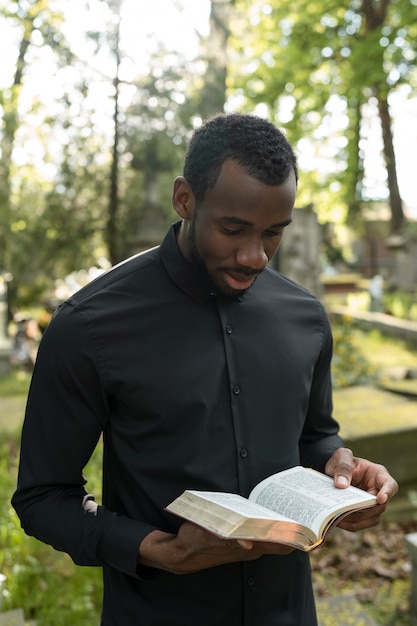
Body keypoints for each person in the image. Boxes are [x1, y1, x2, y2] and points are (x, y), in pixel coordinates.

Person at [12, 113, 398, 626]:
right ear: (185, 199)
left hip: (289, 612)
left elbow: (315, 437)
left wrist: (344, 472)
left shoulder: (306, 317)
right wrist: (157, 549)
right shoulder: (88, 326)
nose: (255, 256)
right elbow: (43, 497)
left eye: (273, 234)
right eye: (233, 229)